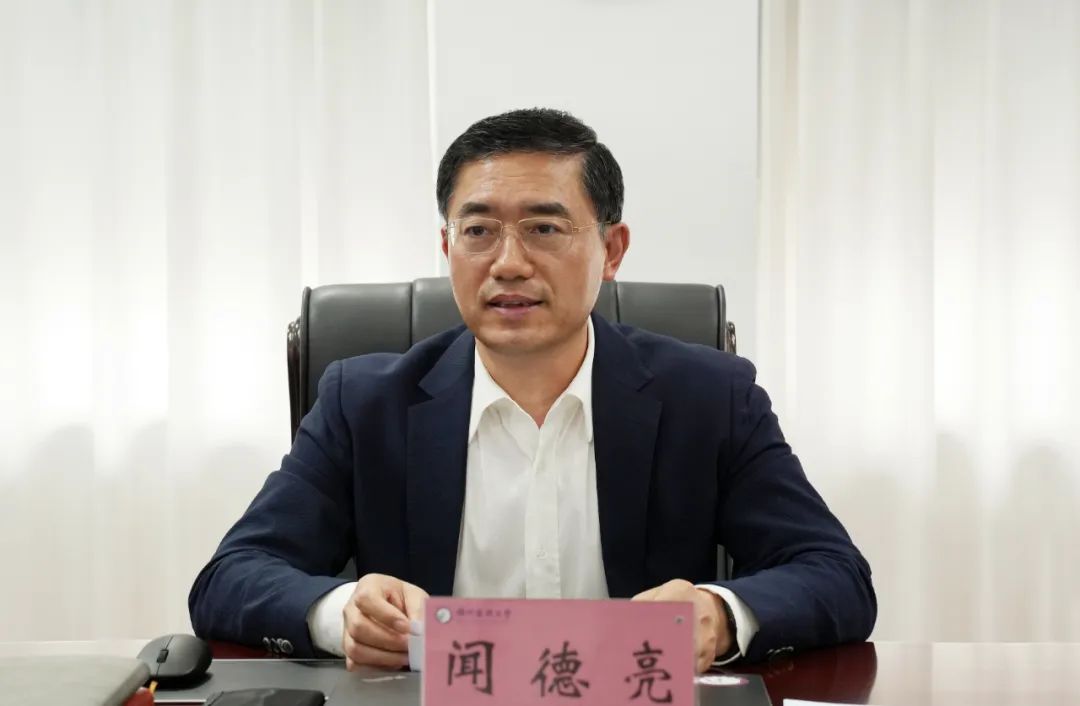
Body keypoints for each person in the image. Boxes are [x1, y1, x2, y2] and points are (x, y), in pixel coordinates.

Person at [189, 108, 876, 673]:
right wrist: (342, 614)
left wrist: (720, 616)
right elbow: (232, 576)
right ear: (447, 247)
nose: (509, 263)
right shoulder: (365, 403)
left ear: (612, 250)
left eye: (544, 229)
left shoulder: (709, 398)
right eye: (478, 231)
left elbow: (834, 574)